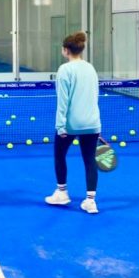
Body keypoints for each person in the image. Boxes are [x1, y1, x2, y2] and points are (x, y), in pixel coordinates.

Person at [44, 32, 102, 214]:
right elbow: (94, 97)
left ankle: (62, 193)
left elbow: (63, 100)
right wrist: (95, 125)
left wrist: (60, 126)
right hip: (92, 123)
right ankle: (90, 202)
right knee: (90, 160)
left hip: (70, 124)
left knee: (59, 155)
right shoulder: (91, 68)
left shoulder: (64, 70)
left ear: (65, 50)